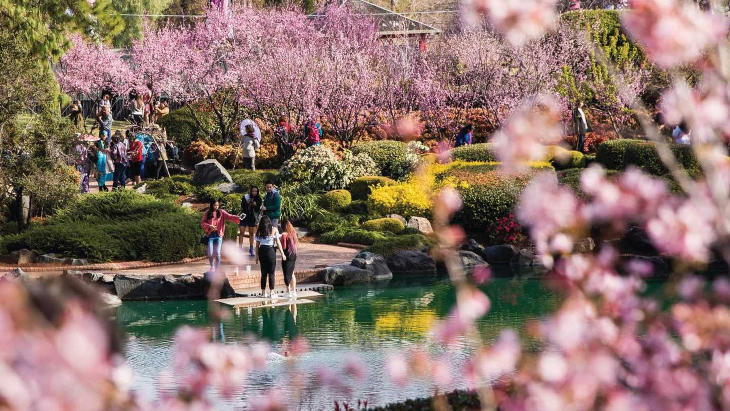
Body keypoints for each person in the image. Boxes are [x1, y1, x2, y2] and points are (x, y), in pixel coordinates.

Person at [201, 200, 241, 273]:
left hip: (218, 235)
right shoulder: (207, 212)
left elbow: (229, 216)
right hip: (210, 235)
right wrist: (209, 226)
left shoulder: (221, 212)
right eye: (214, 205)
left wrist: (238, 217)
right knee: (210, 253)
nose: (216, 207)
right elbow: (203, 223)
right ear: (211, 205)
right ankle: (212, 266)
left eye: (217, 205)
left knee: (218, 253)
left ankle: (217, 268)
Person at [254, 215, 286, 299]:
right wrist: (282, 254)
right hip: (270, 250)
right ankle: (272, 292)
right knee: (271, 272)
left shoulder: (259, 230)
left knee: (263, 273)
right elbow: (278, 243)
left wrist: (256, 256)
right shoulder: (274, 229)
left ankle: (263, 292)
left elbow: (257, 245)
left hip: (262, 250)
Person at [239, 186, 262, 257]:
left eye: (256, 191)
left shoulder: (259, 198)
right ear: (251, 191)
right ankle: (240, 249)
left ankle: (251, 249)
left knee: (251, 233)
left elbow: (258, 208)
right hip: (244, 216)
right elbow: (242, 206)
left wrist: (255, 205)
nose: (254, 193)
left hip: (252, 218)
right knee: (241, 232)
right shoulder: (246, 197)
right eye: (253, 191)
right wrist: (247, 203)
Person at [280, 219, 298, 299]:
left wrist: (277, 245)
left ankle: (288, 291)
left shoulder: (284, 234)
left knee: (286, 273)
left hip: (287, 255)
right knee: (292, 273)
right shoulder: (293, 233)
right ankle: (294, 291)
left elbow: (283, 247)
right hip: (293, 255)